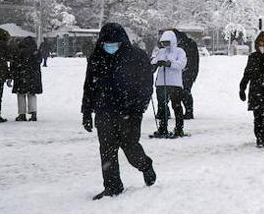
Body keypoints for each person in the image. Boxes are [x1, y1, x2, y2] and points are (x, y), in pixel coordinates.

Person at [81, 23, 156, 199]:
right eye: (107, 43)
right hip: (104, 110)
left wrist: (139, 107)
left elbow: (146, 84)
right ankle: (112, 186)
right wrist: (86, 111)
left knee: (130, 146)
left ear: (122, 41)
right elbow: (89, 86)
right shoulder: (97, 57)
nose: (110, 46)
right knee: (107, 150)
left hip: (130, 110)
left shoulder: (137, 56)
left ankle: (144, 165)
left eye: (114, 43)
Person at [150, 30, 188, 138]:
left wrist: (169, 64)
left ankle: (179, 128)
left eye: (167, 42)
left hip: (175, 83)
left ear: (172, 41)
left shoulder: (179, 51)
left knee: (176, 105)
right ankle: (163, 128)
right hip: (161, 83)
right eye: (163, 42)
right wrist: (154, 63)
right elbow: (153, 62)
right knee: (162, 106)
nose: (165, 44)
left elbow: (182, 64)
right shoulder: (161, 52)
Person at [9, 36, 42, 121]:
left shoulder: (19, 51)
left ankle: (22, 114)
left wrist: (12, 75)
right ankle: (33, 113)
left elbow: (14, 64)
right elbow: (39, 62)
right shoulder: (36, 51)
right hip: (33, 76)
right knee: (32, 94)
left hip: (21, 76)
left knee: (21, 95)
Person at [172, 29, 201, 120]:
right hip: (187, 71)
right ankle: (188, 111)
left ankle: (189, 111)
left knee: (185, 91)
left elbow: (190, 59)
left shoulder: (186, 44)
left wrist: (186, 68)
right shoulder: (185, 43)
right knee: (184, 91)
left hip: (188, 71)